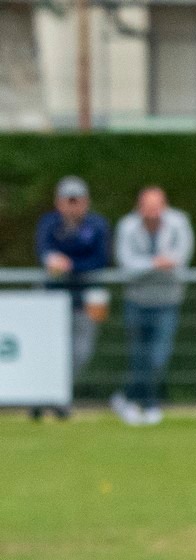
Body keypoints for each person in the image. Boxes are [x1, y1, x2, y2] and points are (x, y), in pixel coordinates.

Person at [112, 185, 195, 426]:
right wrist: (155, 264)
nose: (152, 212)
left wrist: (154, 265)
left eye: (157, 206)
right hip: (136, 300)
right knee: (138, 355)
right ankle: (147, 404)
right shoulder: (127, 227)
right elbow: (127, 264)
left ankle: (127, 398)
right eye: (148, 206)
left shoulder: (179, 224)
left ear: (165, 206)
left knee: (158, 355)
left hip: (168, 299)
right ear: (139, 207)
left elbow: (181, 258)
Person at [31, 175, 111, 421]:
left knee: (80, 351)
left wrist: (71, 265)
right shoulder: (49, 223)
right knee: (49, 350)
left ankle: (57, 395)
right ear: (59, 202)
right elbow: (43, 249)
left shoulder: (97, 225)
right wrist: (52, 260)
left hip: (85, 299)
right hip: (52, 300)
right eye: (69, 200)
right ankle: (47, 397)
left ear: (86, 202)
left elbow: (100, 259)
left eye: (77, 200)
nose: (73, 205)